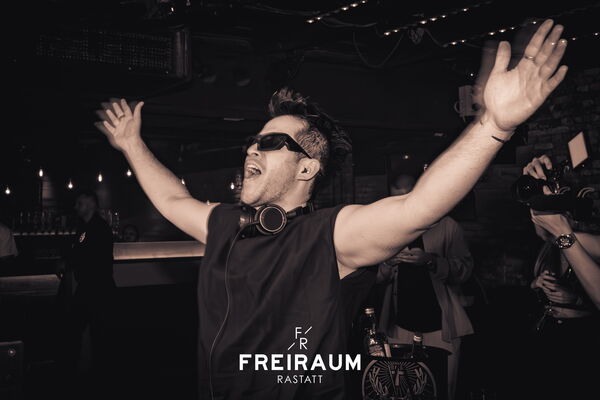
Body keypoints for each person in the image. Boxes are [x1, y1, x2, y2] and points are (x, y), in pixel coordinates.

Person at [96, 20, 568, 399]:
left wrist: (493, 125)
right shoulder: (226, 224)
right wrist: (132, 144)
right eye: (253, 141)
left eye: (271, 143)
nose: (252, 149)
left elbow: (418, 207)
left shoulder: (331, 235)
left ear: (307, 168)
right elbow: (173, 201)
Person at [377, 173, 473, 400]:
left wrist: (431, 260)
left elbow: (465, 270)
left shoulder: (447, 226)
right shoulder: (387, 229)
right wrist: (389, 262)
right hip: (399, 328)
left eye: (407, 196)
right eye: (397, 198)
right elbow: (377, 279)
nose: (402, 203)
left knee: (442, 389)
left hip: (441, 328)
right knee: (400, 391)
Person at [522, 155, 600, 400]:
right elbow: (549, 235)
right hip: (548, 337)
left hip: (583, 345)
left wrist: (575, 301)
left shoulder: (586, 242)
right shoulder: (552, 246)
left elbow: (561, 237)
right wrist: (537, 190)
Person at [56, 190, 116, 396]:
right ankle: (94, 379)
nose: (76, 207)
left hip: (97, 289)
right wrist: (68, 259)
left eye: (79, 203)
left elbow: (85, 256)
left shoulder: (98, 229)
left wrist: (67, 262)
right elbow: (78, 251)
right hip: (93, 288)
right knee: (91, 332)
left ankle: (87, 380)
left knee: (91, 333)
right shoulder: (87, 227)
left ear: (90, 204)